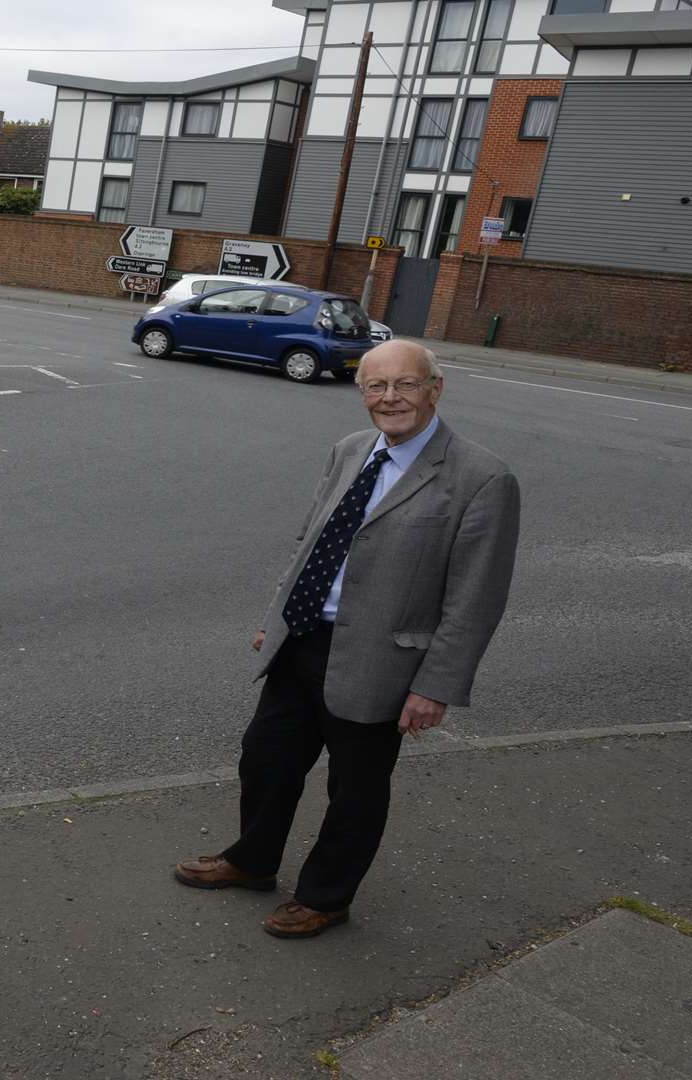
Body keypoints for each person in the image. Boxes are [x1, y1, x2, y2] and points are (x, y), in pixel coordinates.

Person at [174, 340, 519, 939]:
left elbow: (475, 599)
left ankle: (326, 896)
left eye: (405, 385)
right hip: (304, 637)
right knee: (266, 760)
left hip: (383, 662)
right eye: (376, 387)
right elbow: (310, 541)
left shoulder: (482, 478)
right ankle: (253, 862)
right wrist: (277, 617)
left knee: (354, 791)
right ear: (361, 394)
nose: (391, 399)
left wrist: (434, 686)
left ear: (435, 389)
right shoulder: (350, 451)